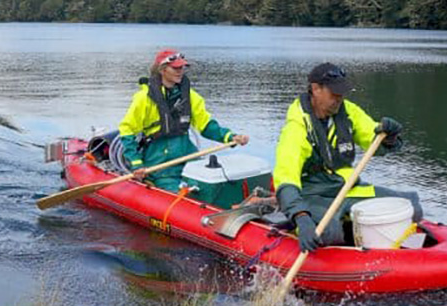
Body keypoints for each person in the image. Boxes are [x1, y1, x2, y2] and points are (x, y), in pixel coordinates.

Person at [273, 62, 422, 252]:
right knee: (329, 233)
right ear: (316, 89)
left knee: (412, 207)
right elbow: (286, 178)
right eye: (334, 92)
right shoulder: (296, 129)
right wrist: (301, 216)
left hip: (347, 189)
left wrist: (389, 136)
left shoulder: (348, 111)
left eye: (342, 92)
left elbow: (372, 136)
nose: (339, 97)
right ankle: (300, 231)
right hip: (312, 195)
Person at [118, 49, 249, 192]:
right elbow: (127, 130)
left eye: (182, 67)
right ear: (162, 70)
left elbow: (205, 125)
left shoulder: (190, 96)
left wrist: (230, 137)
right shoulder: (144, 98)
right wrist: (137, 163)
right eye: (175, 68)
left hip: (186, 154)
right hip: (159, 161)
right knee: (176, 190)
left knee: (206, 187)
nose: (180, 71)